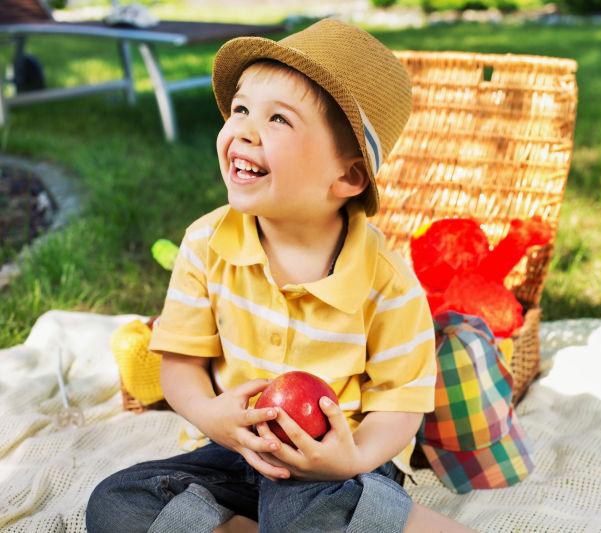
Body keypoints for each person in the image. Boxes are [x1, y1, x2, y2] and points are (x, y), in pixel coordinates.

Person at [85, 18, 473, 533]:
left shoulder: (385, 283)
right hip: (236, 451)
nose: (243, 128)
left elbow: (399, 408)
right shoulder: (206, 243)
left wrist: (348, 459)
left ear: (348, 175)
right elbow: (179, 365)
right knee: (117, 502)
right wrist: (212, 416)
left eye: (278, 120)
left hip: (332, 470)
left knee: (308, 509)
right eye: (241, 109)